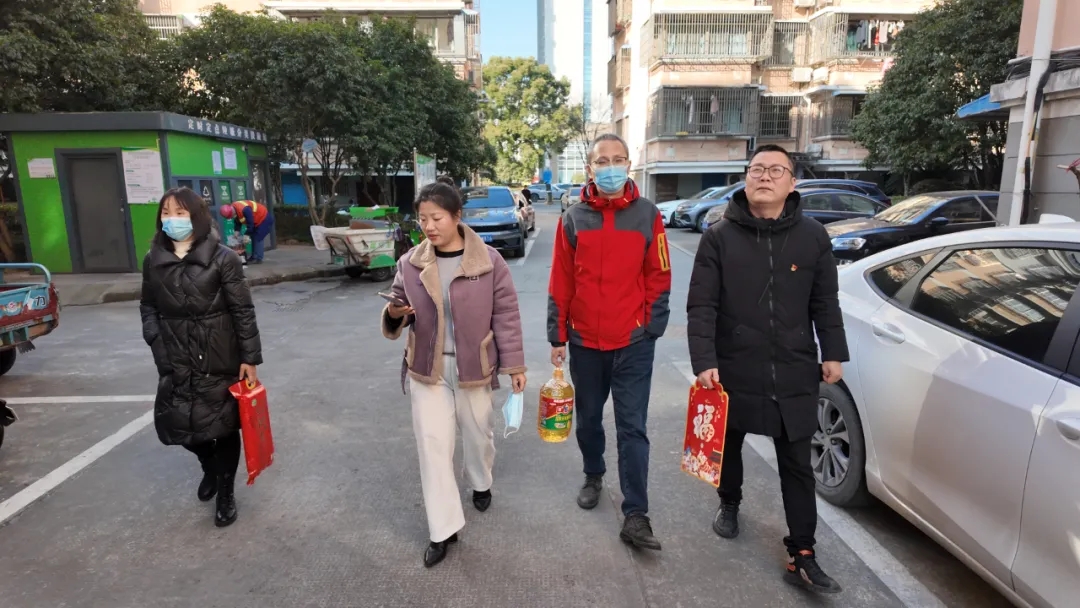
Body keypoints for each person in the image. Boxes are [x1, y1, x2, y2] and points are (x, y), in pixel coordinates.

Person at [686, 144, 848, 594]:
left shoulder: (813, 236)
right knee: (729, 445)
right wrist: (705, 361)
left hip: (793, 367)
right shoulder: (719, 235)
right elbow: (701, 304)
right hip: (734, 365)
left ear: (791, 183)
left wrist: (832, 351)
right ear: (746, 177)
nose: (765, 177)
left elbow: (825, 301)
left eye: (776, 170)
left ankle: (803, 553)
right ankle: (729, 502)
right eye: (757, 169)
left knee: (797, 462)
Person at [381, 182, 527, 568]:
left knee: (479, 435)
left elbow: (507, 316)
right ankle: (443, 528)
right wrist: (396, 314)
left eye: (437, 218)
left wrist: (514, 366)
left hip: (474, 366)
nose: (428, 226)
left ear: (457, 217)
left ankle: (480, 482)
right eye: (423, 218)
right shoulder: (410, 263)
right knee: (432, 447)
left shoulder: (489, 261)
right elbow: (396, 306)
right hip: (427, 370)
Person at [547, 133, 671, 551]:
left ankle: (636, 513)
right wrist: (557, 333)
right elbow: (560, 280)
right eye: (604, 161)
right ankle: (593, 472)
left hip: (633, 342)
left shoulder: (648, 215)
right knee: (588, 421)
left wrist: (652, 325)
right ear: (591, 168)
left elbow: (659, 273)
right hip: (584, 343)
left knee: (633, 427)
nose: (611, 167)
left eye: (619, 159)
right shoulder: (573, 219)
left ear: (630, 164)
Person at [140, 187, 262, 528]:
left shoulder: (223, 258)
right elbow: (148, 305)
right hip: (175, 356)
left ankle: (225, 492)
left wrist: (249, 357)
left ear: (196, 216)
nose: (172, 220)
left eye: (180, 213)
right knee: (176, 426)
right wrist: (155, 341)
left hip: (219, 357)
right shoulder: (154, 260)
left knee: (223, 429)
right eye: (166, 212)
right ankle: (209, 466)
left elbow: (242, 310)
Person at [219, 200, 274, 264]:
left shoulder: (245, 209)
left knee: (258, 237)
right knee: (253, 237)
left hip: (264, 219)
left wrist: (246, 234)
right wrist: (237, 231)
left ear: (232, 211)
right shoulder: (235, 208)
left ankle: (258, 258)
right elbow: (238, 221)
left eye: (231, 216)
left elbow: (250, 224)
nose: (231, 217)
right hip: (256, 221)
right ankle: (254, 257)